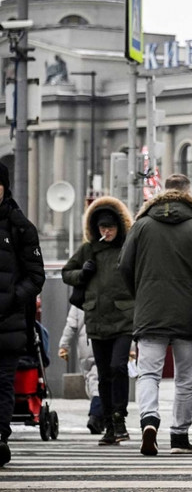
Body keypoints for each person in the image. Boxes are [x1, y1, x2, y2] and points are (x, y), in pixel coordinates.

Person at [119, 174, 192, 456]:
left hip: (150, 311)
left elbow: (124, 266)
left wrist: (141, 294)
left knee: (148, 374)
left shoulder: (141, 226)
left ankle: (149, 421)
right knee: (185, 380)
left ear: (162, 193)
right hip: (189, 313)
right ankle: (179, 437)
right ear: (189, 194)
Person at [63, 196, 135, 446]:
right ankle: (109, 423)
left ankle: (119, 417)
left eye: (111, 227)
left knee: (118, 367)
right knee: (104, 374)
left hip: (124, 319)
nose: (107, 232)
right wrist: (82, 273)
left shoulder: (128, 249)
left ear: (119, 227)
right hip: (96, 320)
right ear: (96, 228)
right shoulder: (88, 250)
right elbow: (67, 273)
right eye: (103, 227)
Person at [0, 162, 45, 467]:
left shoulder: (20, 227)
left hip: (9, 322)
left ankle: (0, 436)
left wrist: (13, 297)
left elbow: (36, 275)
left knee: (4, 381)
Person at [58, 306, 104, 435]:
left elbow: (71, 325)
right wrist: (131, 349)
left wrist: (64, 346)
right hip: (102, 339)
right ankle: (96, 415)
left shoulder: (79, 300)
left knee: (92, 378)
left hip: (86, 343)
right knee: (99, 380)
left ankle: (98, 414)